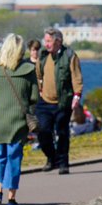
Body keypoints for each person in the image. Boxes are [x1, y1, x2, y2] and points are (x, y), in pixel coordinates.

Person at [0, 34, 38, 205]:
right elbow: (34, 97)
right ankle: (11, 199)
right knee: (14, 158)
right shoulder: (28, 69)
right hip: (17, 119)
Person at [34, 28, 83, 175]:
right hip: (44, 102)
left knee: (62, 132)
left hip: (63, 102)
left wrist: (77, 95)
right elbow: (37, 74)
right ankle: (51, 157)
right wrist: (39, 89)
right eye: (45, 41)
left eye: (49, 41)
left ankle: (63, 163)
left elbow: (76, 76)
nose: (46, 44)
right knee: (43, 131)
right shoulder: (43, 56)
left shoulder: (70, 55)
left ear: (58, 41)